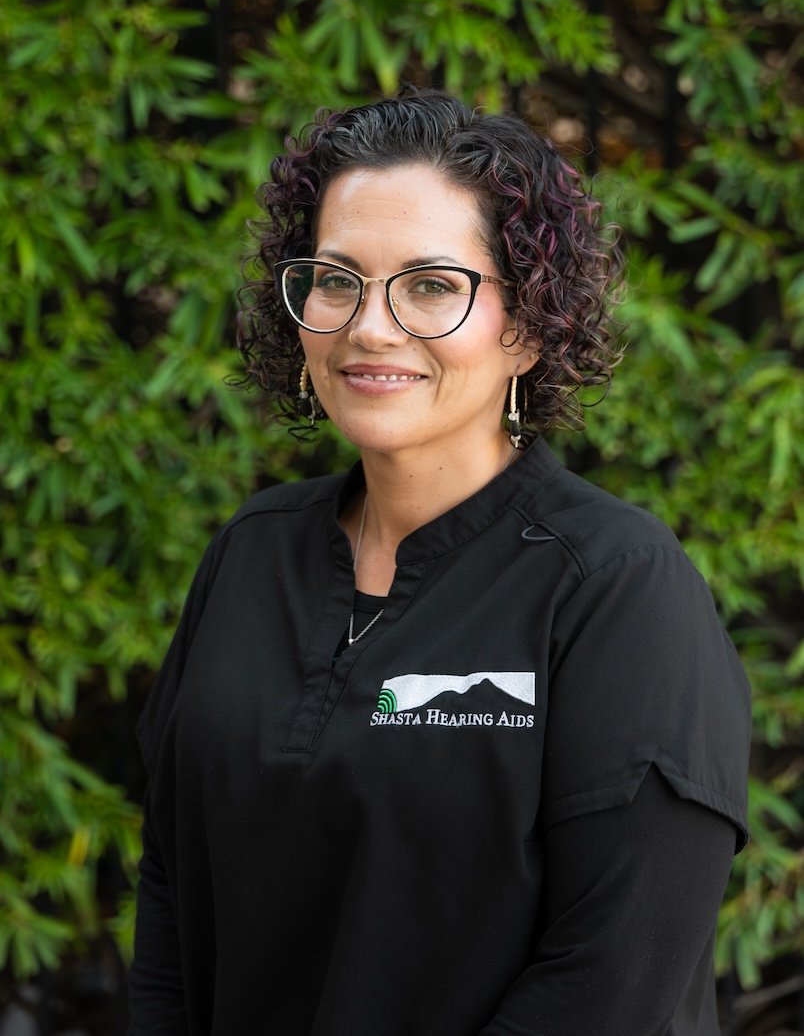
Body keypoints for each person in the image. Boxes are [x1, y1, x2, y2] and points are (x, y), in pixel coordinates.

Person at [129, 91, 751, 1036]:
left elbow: (612, 980)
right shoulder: (250, 555)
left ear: (530, 323)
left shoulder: (616, 588)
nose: (370, 327)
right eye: (336, 278)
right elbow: (172, 892)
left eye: (430, 284)